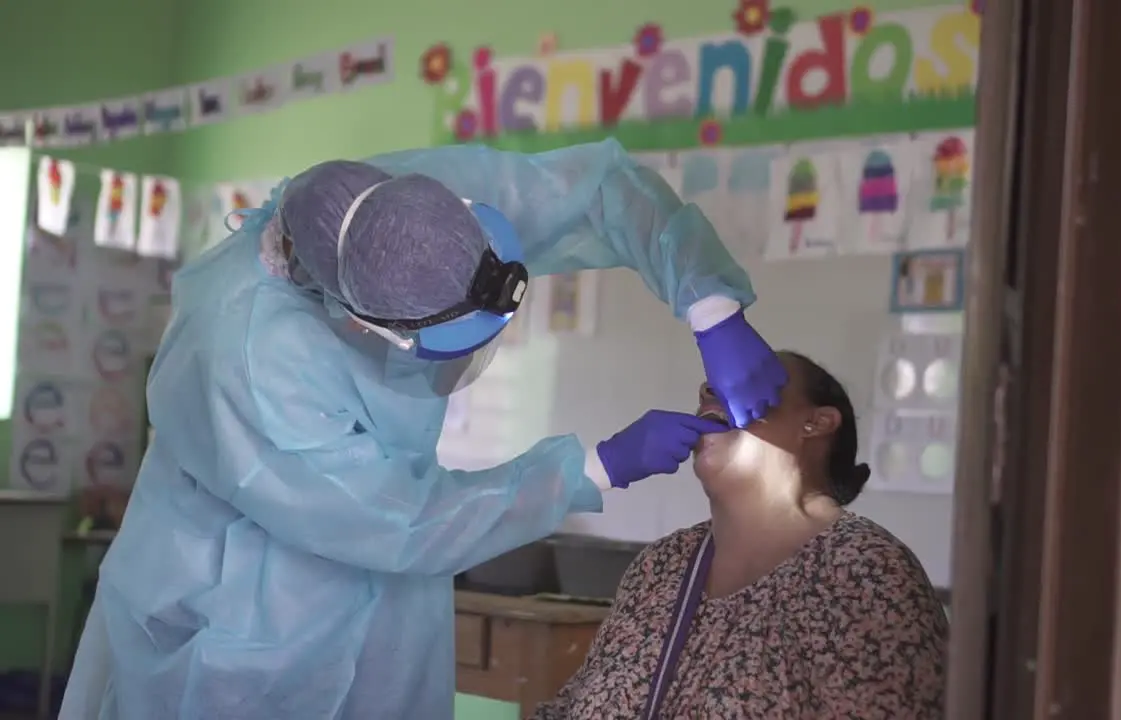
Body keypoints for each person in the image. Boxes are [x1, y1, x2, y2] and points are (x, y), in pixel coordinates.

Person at [58, 138, 787, 720]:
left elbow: (599, 190)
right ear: (361, 324)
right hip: (244, 622)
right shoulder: (245, 357)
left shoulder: (415, 211)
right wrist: (592, 469)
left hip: (392, 595)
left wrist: (710, 308)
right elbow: (397, 520)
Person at [533, 352, 949, 720]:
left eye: (747, 377)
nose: (711, 388)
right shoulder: (663, 565)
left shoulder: (866, 573)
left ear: (817, 422)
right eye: (708, 387)